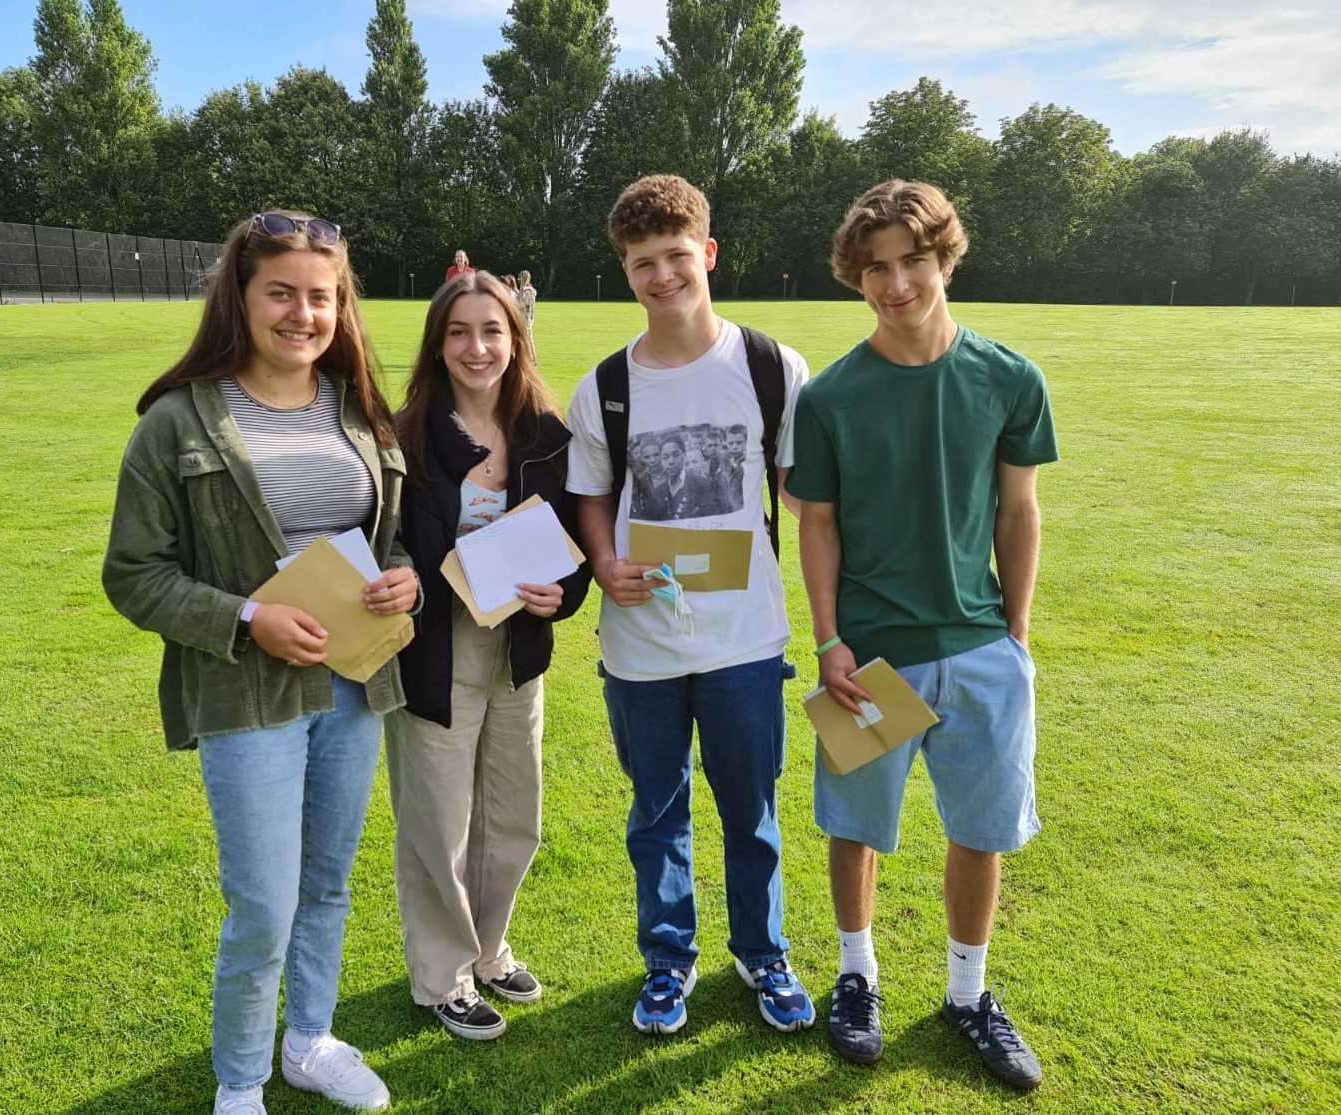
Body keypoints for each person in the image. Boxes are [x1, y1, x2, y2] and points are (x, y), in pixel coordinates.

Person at [102, 211, 419, 1115]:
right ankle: (239, 1080)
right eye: (281, 292)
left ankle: (309, 1039)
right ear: (239, 297)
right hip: (247, 695)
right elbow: (134, 575)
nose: (303, 314)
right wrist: (248, 617)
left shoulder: (358, 409)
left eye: (322, 296)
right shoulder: (175, 422)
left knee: (327, 882)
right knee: (264, 904)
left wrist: (403, 583)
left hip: (356, 685)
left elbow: (387, 544)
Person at [786, 180, 1058, 1090]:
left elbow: (1020, 512)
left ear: (945, 257)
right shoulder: (829, 397)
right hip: (869, 656)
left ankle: (968, 995)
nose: (895, 283)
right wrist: (828, 640)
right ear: (856, 278)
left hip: (979, 648)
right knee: (853, 826)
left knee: (979, 830)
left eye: (911, 260)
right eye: (875, 268)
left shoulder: (1011, 378)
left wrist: (1013, 632)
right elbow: (814, 522)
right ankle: (856, 976)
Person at [564, 174, 816, 1036]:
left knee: (752, 808)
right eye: (643, 263)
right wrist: (603, 562)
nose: (662, 276)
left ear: (707, 253)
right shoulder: (603, 385)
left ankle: (763, 951)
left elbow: (806, 500)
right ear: (626, 273)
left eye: (676, 256)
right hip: (641, 639)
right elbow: (591, 493)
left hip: (745, 636)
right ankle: (669, 960)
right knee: (657, 810)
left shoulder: (772, 367)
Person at [387, 270, 591, 1041]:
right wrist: (405, 568)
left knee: (514, 817)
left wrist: (562, 595)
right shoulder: (406, 434)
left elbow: (575, 545)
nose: (478, 348)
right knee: (439, 822)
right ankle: (442, 974)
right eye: (460, 332)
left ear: (516, 338)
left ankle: (490, 947)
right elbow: (388, 540)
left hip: (516, 652)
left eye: (493, 331)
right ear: (439, 344)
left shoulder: (546, 432)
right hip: (435, 652)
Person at [516, 270, 537, 335]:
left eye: (521, 278)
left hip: (525, 318)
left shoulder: (528, 291)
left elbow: (522, 303)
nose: (519, 280)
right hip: (524, 318)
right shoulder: (524, 291)